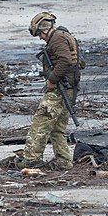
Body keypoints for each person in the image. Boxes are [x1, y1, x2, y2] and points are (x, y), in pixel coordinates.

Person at [15, 12, 81, 170]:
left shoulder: (57, 38)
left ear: (44, 29)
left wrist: (52, 80)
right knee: (57, 128)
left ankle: (32, 158)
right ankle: (64, 160)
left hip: (60, 89)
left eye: (39, 34)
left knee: (41, 122)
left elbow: (65, 60)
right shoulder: (62, 35)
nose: (40, 38)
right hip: (68, 88)